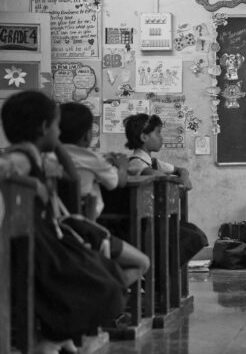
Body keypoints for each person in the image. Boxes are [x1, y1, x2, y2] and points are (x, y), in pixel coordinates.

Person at [0, 91, 126, 354]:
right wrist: (29, 181)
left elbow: (70, 178)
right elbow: (4, 168)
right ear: (44, 127)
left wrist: (55, 144)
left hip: (48, 239)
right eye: (57, 127)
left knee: (108, 276)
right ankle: (51, 340)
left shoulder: (39, 156)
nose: (60, 132)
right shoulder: (21, 157)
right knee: (101, 286)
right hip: (36, 245)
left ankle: (56, 338)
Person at [59, 102, 150, 286]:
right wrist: (121, 165)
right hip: (85, 230)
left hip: (53, 228)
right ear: (86, 136)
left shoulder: (44, 158)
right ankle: (106, 295)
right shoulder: (91, 159)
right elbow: (117, 182)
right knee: (142, 263)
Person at [123, 113, 207, 265]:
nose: (161, 138)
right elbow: (162, 178)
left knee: (195, 233)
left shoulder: (152, 161)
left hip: (155, 219)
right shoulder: (137, 164)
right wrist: (180, 181)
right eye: (158, 133)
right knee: (191, 237)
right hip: (143, 224)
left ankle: (163, 271)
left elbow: (181, 170)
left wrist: (184, 177)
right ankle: (161, 274)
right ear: (144, 137)